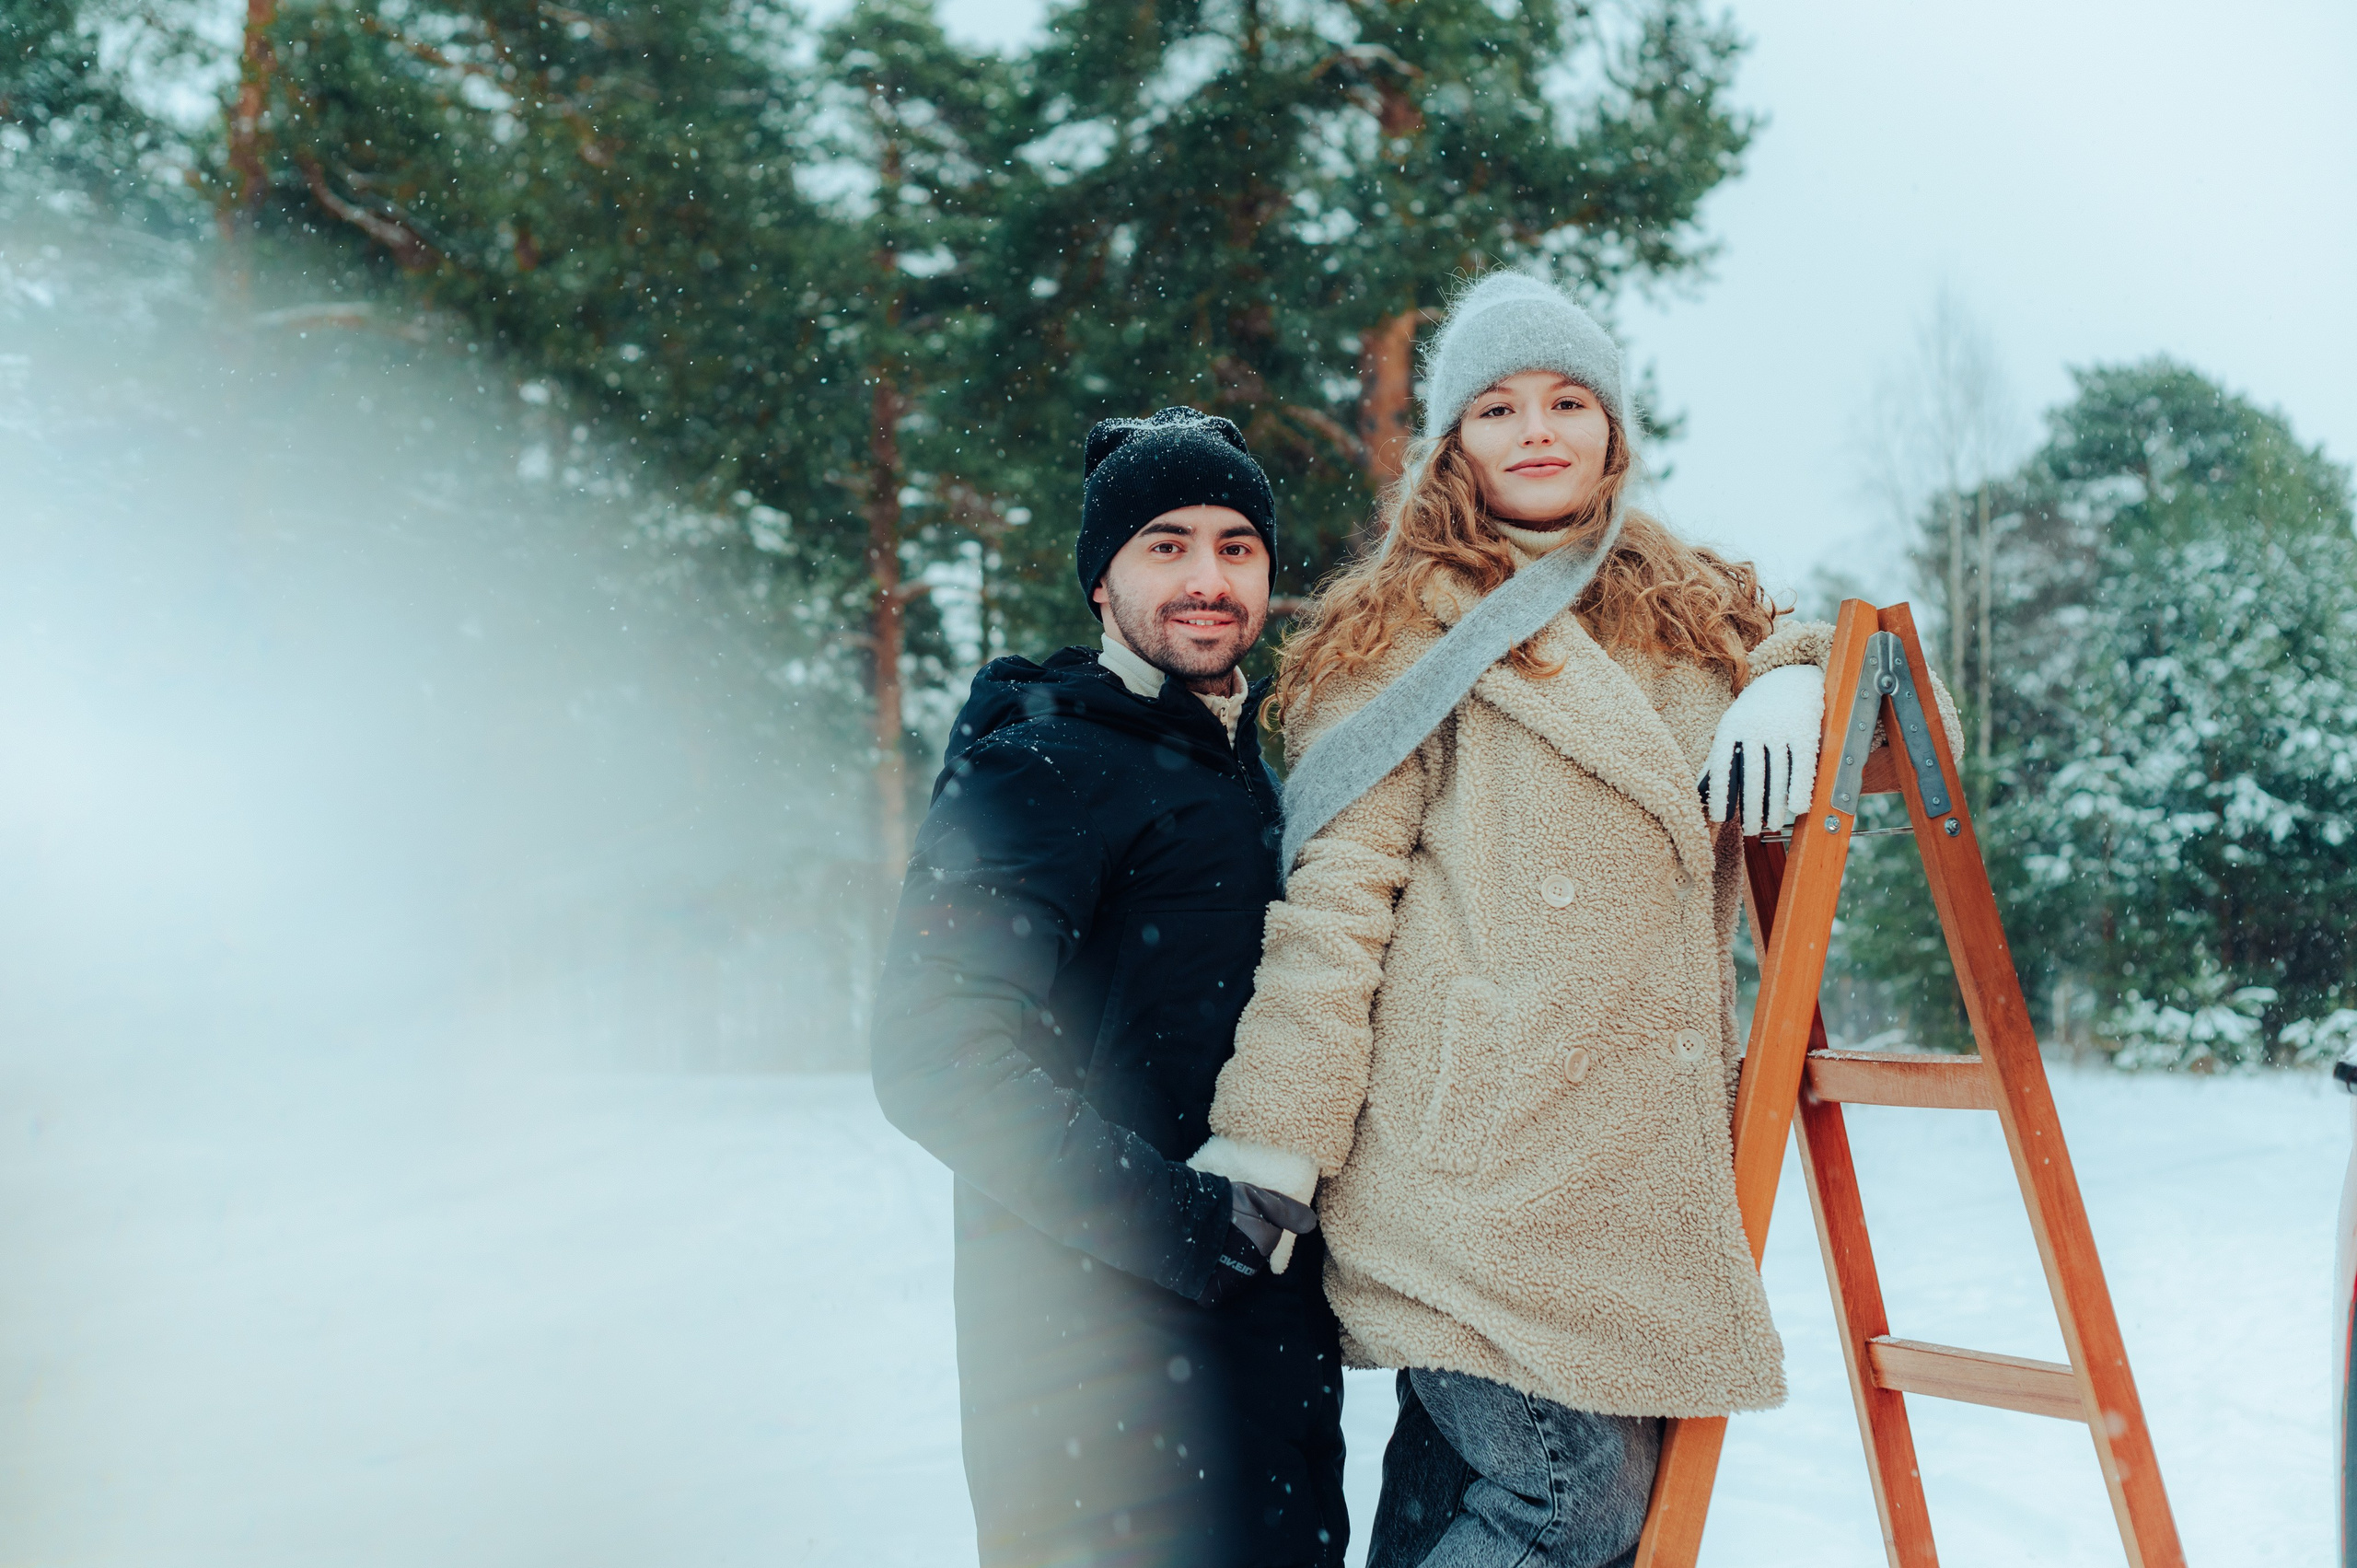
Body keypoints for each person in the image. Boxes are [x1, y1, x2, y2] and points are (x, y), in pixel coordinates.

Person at [1187, 273, 1959, 1568]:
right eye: (1496, 407)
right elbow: (1336, 906)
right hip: (1468, 1162)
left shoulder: (1686, 606)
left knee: (1462, 1492)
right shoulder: (1396, 632)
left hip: (1625, 1163)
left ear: (1612, 427)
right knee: (1574, 1497)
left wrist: (1797, 678)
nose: (1535, 430)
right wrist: (1273, 1135)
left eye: (1566, 400)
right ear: (1453, 441)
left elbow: (1873, 695)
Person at [871, 408, 1348, 1568]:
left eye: (1237, 546)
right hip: (1094, 1384)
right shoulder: (1042, 763)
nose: (1207, 578)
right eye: (1165, 544)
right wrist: (1190, 1225)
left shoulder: (1238, 766)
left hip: (1255, 1365)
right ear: (1101, 579)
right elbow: (933, 1050)